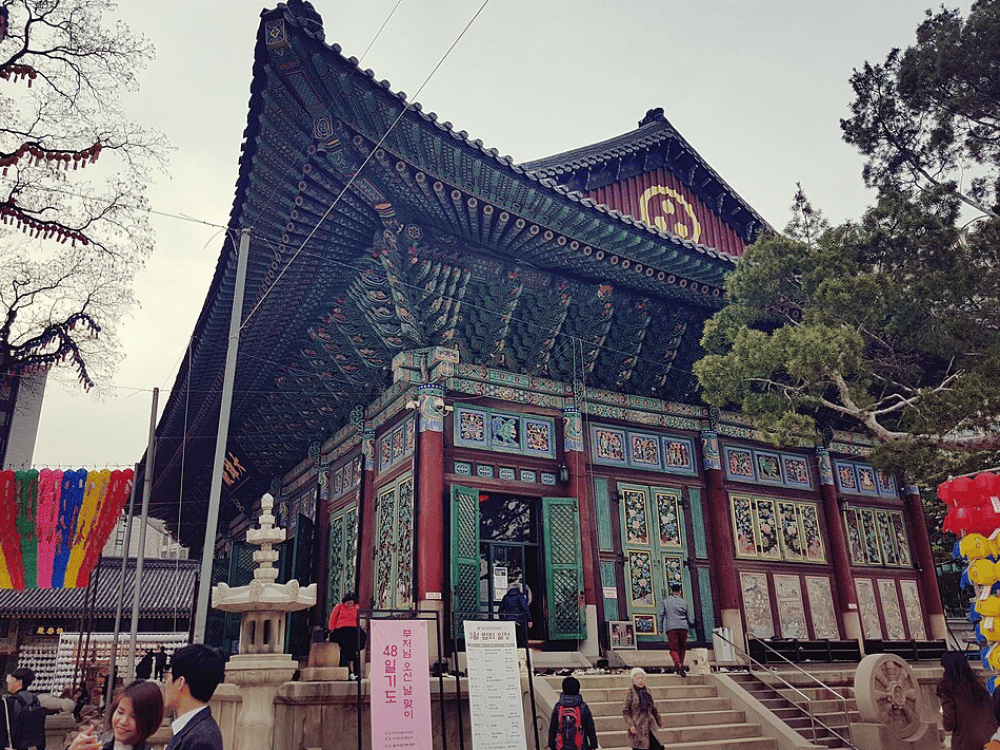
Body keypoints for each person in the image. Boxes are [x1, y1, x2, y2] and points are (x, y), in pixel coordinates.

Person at [67, 679, 164, 750]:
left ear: (149, 721)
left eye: (134, 717)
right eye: (120, 712)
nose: (123, 721)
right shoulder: (96, 745)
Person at [162, 643, 225, 750]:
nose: (165, 683)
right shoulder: (194, 729)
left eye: (167, 676)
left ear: (180, 682)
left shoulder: (201, 740)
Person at [935, 651, 998, 750]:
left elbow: (949, 723)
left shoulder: (948, 689)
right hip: (989, 737)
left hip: (966, 741)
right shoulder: (978, 685)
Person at [548, 676, 598, 750]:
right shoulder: (582, 706)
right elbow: (590, 728)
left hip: (562, 746)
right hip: (580, 746)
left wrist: (552, 744)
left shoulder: (558, 706)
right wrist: (593, 745)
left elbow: (553, 728)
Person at [1, 667, 46, 750]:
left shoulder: (7, 702)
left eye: (12, 679)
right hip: (26, 746)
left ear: (19, 682)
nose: (8, 682)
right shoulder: (35, 700)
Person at [657, 582, 692, 676]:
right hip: (683, 627)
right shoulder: (684, 602)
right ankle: (680, 666)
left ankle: (678, 663)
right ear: (680, 592)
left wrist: (660, 628)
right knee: (682, 648)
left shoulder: (666, 602)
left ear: (671, 591)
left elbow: (661, 616)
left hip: (671, 627)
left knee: (673, 649)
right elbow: (689, 617)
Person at [622, 667, 662, 750]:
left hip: (650, 725)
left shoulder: (647, 691)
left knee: (657, 746)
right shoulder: (630, 693)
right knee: (640, 747)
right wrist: (631, 725)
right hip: (638, 726)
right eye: (638, 678)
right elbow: (625, 711)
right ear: (633, 680)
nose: (640, 680)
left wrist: (659, 721)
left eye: (642, 678)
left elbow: (653, 708)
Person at [328, 592, 365, 679]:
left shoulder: (356, 608)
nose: (349, 605)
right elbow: (332, 619)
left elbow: (358, 620)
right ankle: (348, 670)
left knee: (360, 636)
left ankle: (356, 673)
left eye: (351, 603)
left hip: (353, 630)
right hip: (341, 630)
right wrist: (332, 628)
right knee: (345, 646)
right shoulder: (339, 607)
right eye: (347, 603)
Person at [497, 582, 532, 647]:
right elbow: (525, 608)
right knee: (520, 637)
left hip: (508, 620)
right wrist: (529, 619)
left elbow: (500, 610)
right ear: (518, 589)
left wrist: (502, 619)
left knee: (510, 637)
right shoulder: (520, 596)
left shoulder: (506, 597)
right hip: (518, 620)